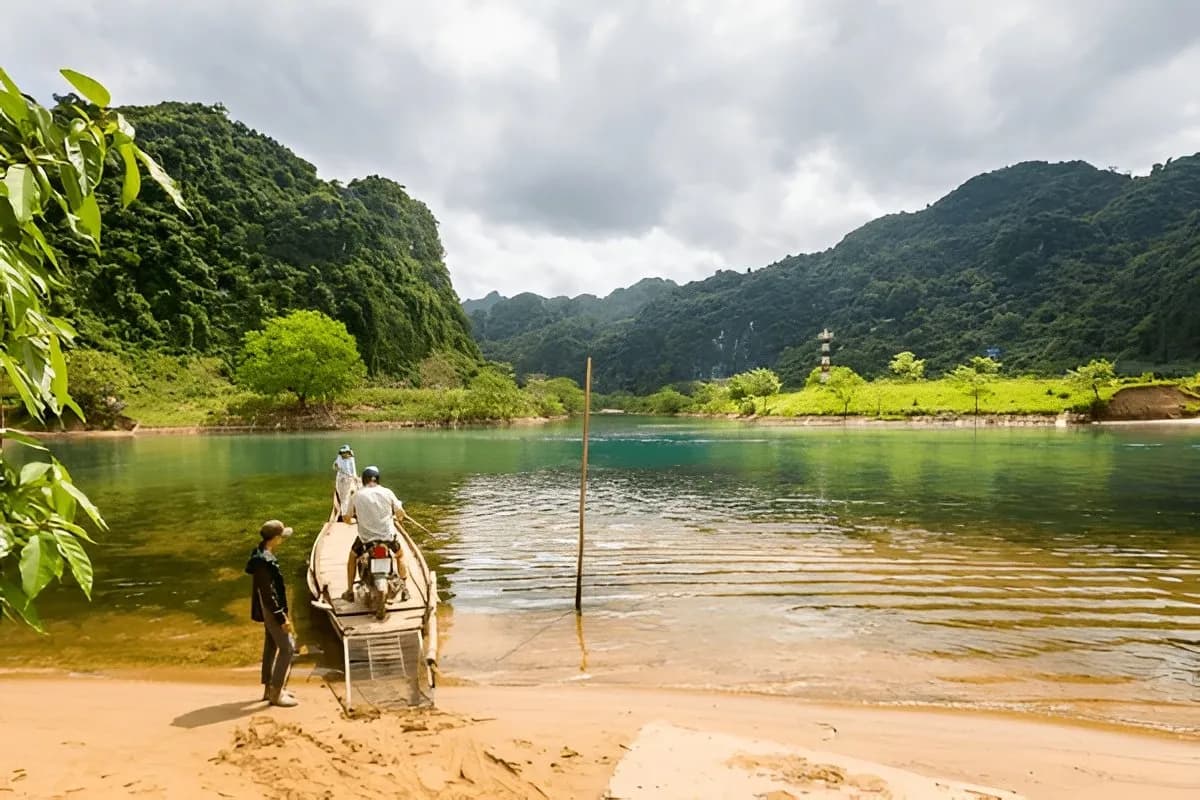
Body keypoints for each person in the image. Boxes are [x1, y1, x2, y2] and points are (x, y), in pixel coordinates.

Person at [245, 519, 299, 707]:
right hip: (271, 610)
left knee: (271, 646)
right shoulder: (263, 562)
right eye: (281, 537)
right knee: (288, 648)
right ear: (274, 539)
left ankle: (269, 689)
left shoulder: (261, 553)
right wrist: (281, 617)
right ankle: (276, 693)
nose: (282, 540)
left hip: (268, 609)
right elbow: (268, 594)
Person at [342, 466, 408, 602]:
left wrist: (352, 520)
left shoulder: (356, 495)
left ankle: (349, 591)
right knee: (400, 556)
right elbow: (400, 513)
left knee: (352, 558)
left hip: (366, 541)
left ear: (363, 480)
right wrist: (398, 517)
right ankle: (405, 589)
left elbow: (347, 518)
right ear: (377, 479)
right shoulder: (388, 492)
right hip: (388, 539)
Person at [332, 444, 358, 523]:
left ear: (349, 452)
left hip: (348, 479)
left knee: (346, 497)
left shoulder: (351, 458)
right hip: (340, 480)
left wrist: (355, 477)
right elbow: (334, 466)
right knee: (343, 497)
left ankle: (345, 514)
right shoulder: (339, 458)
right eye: (343, 453)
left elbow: (353, 470)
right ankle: (345, 515)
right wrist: (336, 466)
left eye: (346, 452)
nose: (344, 454)